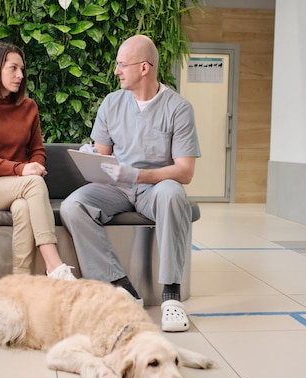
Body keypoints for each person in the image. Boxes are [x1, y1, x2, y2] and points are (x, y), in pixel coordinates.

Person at [60, 35, 201, 332]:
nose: (116, 71)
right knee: (74, 205)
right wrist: (91, 157)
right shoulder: (112, 103)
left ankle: (171, 296)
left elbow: (185, 171)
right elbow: (103, 153)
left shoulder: (178, 108)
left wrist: (137, 175)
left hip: (155, 189)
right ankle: (119, 285)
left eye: (122, 64)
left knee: (174, 194)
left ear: (145, 68)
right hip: (117, 189)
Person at [0, 42, 76, 280]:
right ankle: (54, 265)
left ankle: (21, 283)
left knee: (23, 207)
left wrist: (34, 165)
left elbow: (37, 150)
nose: (20, 75)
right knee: (33, 182)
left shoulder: (28, 107)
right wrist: (22, 169)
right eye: (13, 68)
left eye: (22, 69)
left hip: (20, 188)